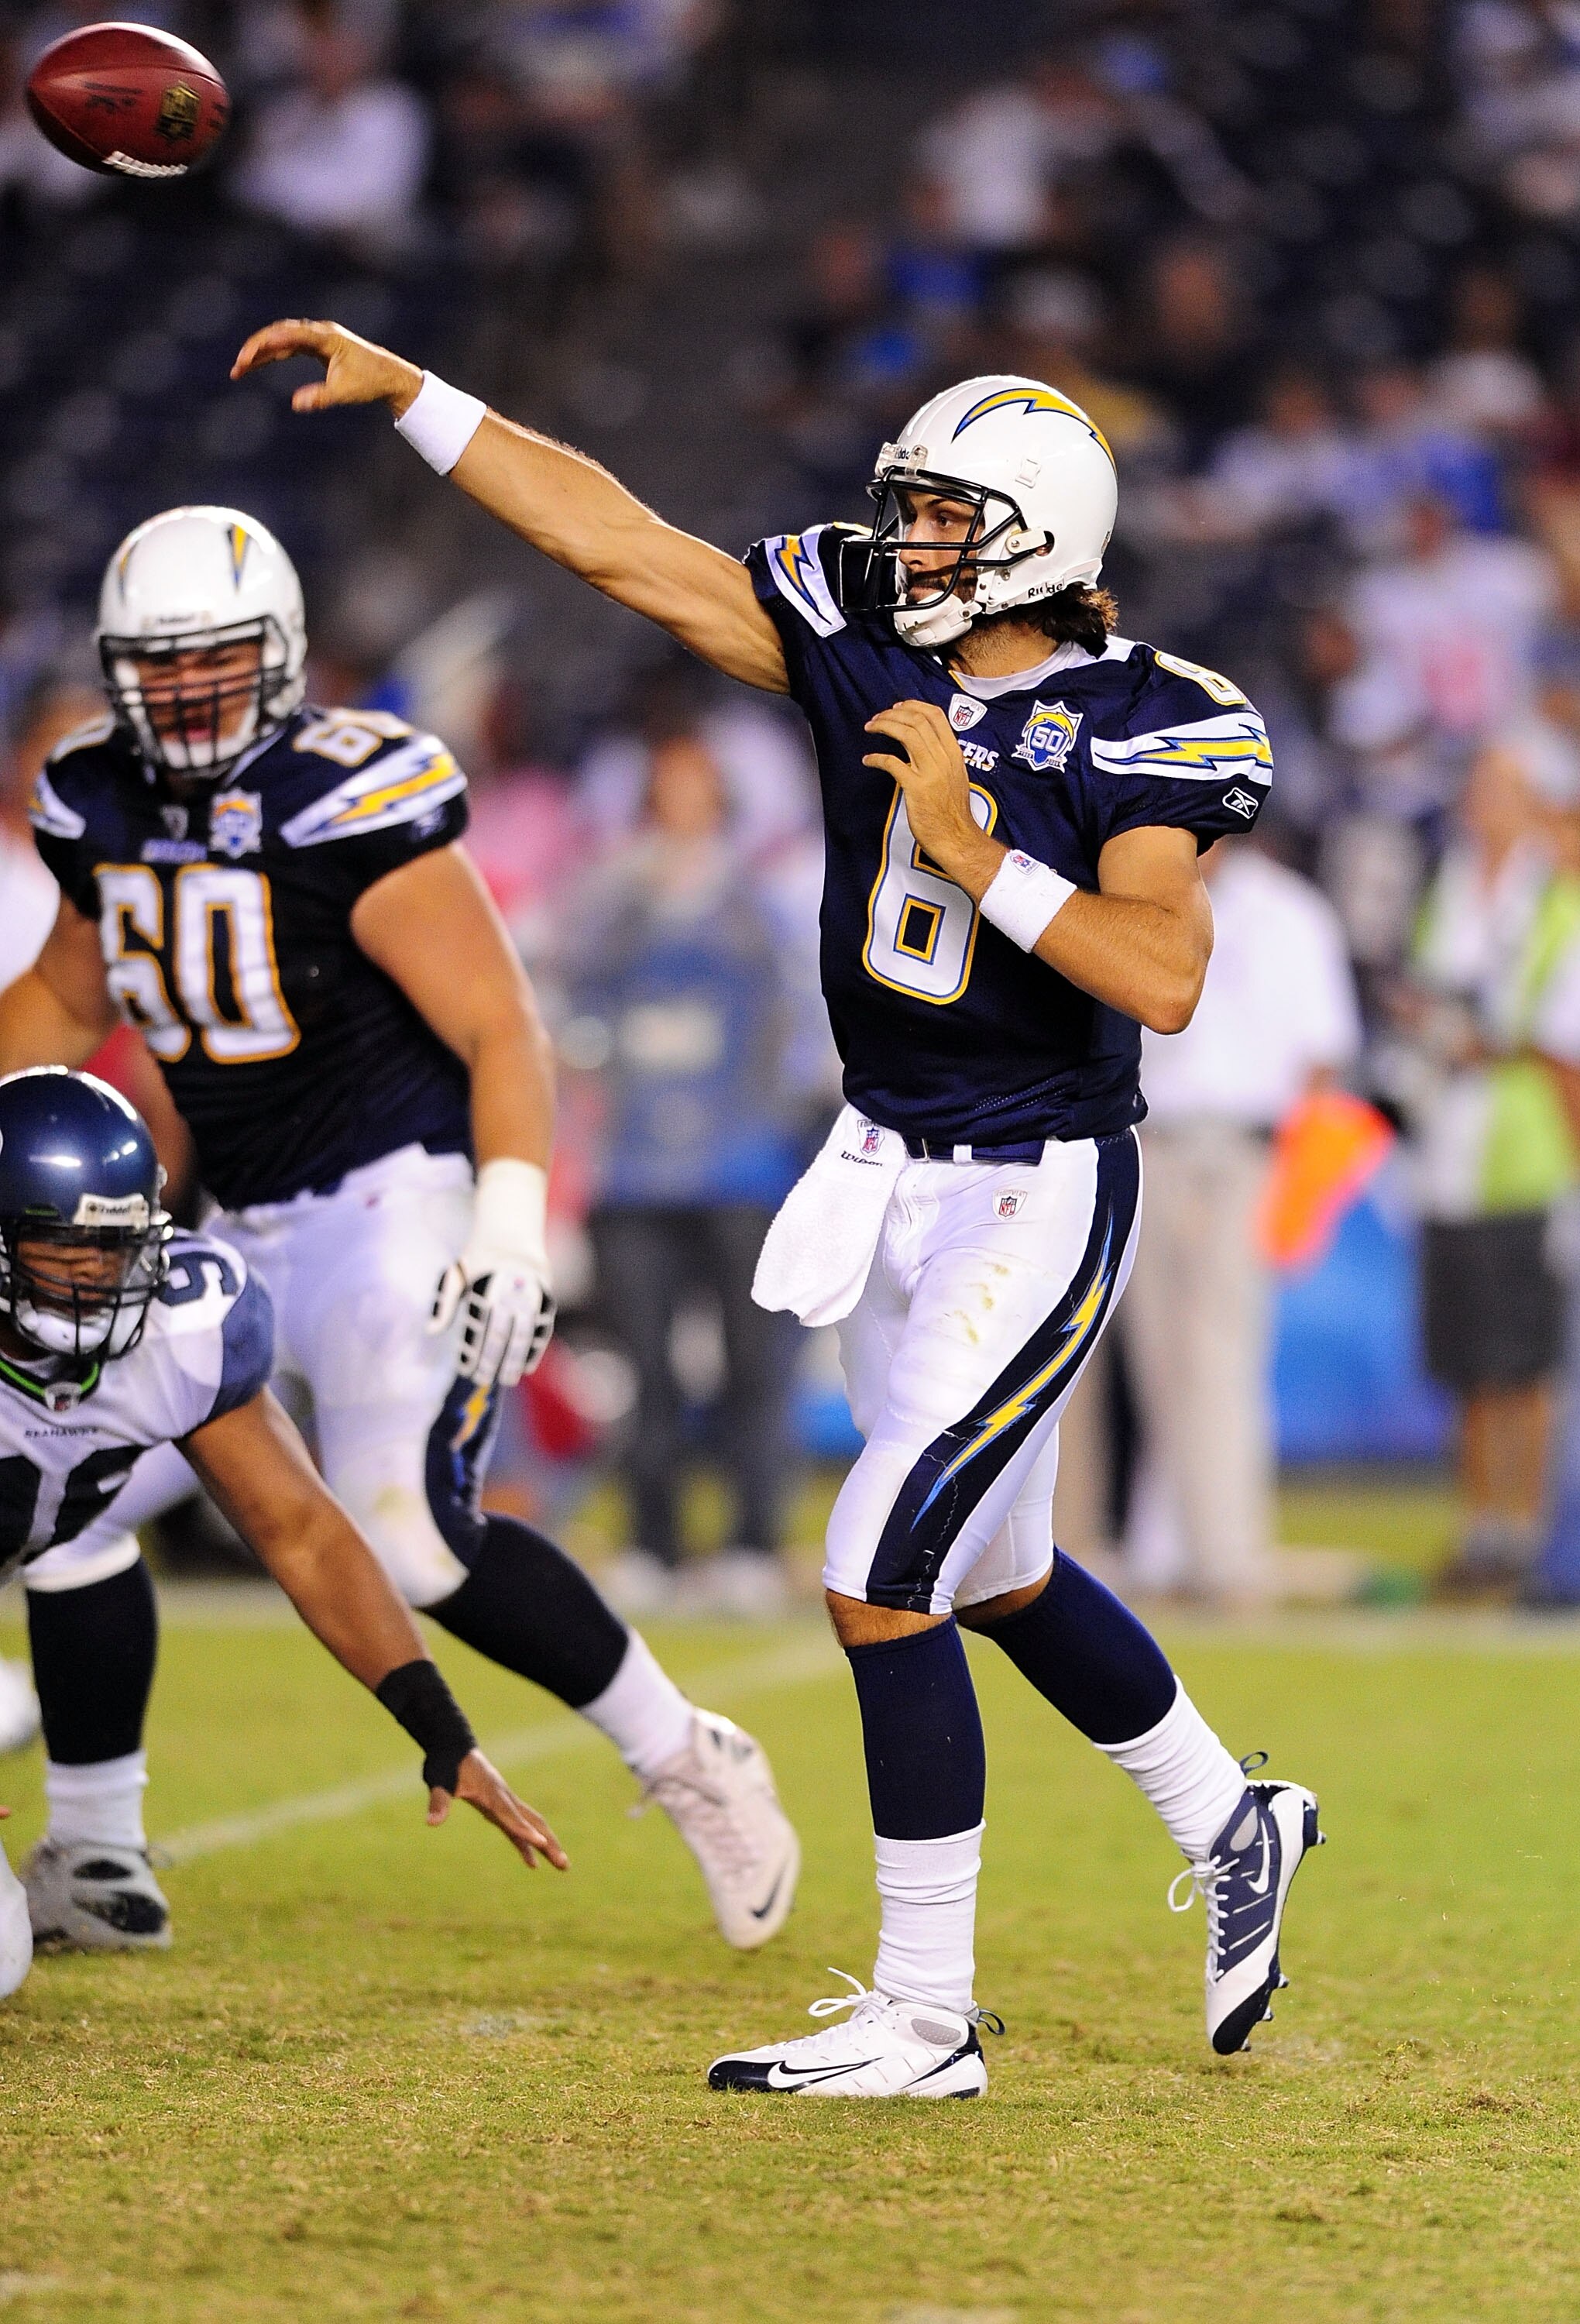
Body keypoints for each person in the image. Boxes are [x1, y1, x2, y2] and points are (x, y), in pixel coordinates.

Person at [228, 319, 1326, 2097]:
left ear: (1041, 531)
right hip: (886, 1167)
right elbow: (618, 540)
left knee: (874, 1564)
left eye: (948, 519)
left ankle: (922, 2012)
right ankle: (1233, 1817)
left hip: (1035, 1181)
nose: (907, 546)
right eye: (905, 512)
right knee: (999, 1575)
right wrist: (420, 394)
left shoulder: (1145, 719)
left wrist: (980, 853)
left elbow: (1159, 975)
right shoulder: (858, 631)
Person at [0, 504, 798, 1960]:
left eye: (215, 663)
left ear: (284, 657)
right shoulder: (95, 800)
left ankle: (686, 1753)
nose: (184, 695)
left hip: (390, 1199)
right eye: (157, 668)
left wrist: (506, 1218)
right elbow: (64, 998)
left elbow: (501, 1021)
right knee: (73, 1509)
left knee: (413, 1537)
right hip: (231, 1217)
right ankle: (101, 1847)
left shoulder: (347, 794)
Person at [0, 1067, 562, 1998]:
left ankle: (97, 1852)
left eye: (119, 1247)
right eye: (67, 1250)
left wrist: (441, 1730)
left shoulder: (181, 1328)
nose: (102, 1278)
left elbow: (301, 1531)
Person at [565, 727, 800, 1617]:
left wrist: (776, 1122)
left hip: (740, 1169)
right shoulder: (609, 900)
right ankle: (653, 1540)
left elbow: (801, 1023)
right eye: (668, 788)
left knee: (752, 1367)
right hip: (633, 1173)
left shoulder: (759, 906)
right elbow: (567, 1004)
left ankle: (750, 1540)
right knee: (646, 1373)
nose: (683, 805)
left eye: (698, 786)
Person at [1120, 835, 1363, 1605]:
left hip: (1246, 1151)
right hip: (1149, 1142)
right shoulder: (1133, 893)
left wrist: (1301, 1179)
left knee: (1220, 1354)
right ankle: (1166, 1549)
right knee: (1157, 1356)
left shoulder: (1290, 911)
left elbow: (1323, 1056)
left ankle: (1226, 1555)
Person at [1403, 727, 1580, 1595]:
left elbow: (1550, 1043)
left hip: (1522, 1150)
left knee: (1526, 1362)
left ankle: (1528, 1528)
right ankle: (1483, 1526)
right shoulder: (1453, 886)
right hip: (1449, 1148)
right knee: (1470, 1358)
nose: (1485, 805)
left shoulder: (1556, 903)